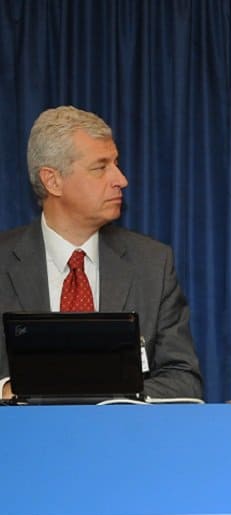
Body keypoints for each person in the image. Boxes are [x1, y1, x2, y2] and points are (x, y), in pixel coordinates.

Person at [0, 105, 202, 399]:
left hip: (121, 429)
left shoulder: (152, 265)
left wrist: (95, 392)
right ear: (52, 180)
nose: (121, 179)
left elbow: (184, 380)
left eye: (116, 164)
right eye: (100, 167)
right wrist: (7, 389)